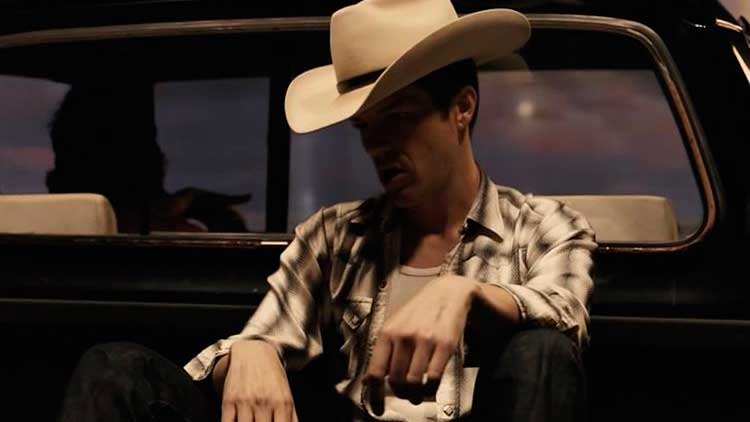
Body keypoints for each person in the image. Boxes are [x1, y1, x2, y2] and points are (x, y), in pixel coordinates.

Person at [59, 1, 596, 421]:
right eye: (365, 128)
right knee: (114, 368)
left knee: (542, 352)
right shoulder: (335, 236)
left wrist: (466, 293)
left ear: (462, 108)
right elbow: (264, 336)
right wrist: (248, 352)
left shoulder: (545, 225)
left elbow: (566, 314)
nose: (377, 147)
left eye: (398, 119)